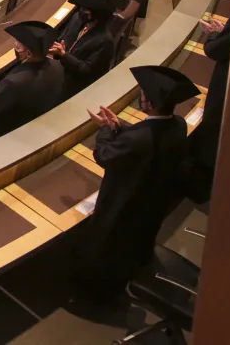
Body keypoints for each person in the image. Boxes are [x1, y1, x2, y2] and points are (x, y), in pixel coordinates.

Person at [79, 66, 195, 297]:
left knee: (108, 247)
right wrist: (120, 126)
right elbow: (149, 136)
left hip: (125, 204)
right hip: (153, 201)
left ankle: (97, 291)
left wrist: (104, 130)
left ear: (149, 103)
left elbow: (104, 156)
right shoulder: (178, 124)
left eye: (142, 93)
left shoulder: (137, 140)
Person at [0, 21, 65, 144]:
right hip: (32, 130)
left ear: (29, 53)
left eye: (18, 47)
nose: (14, 46)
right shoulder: (57, 67)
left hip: (3, 138)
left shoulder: (14, 82)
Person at [187, 17, 230, 201]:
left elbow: (214, 50)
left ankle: (200, 190)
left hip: (225, 90)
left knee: (211, 134)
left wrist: (214, 34)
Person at [51, 0, 116, 99]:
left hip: (77, 85)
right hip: (61, 68)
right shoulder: (77, 19)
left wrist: (64, 55)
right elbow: (61, 38)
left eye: (85, 10)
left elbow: (86, 70)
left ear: (96, 15)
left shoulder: (105, 41)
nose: (81, 11)